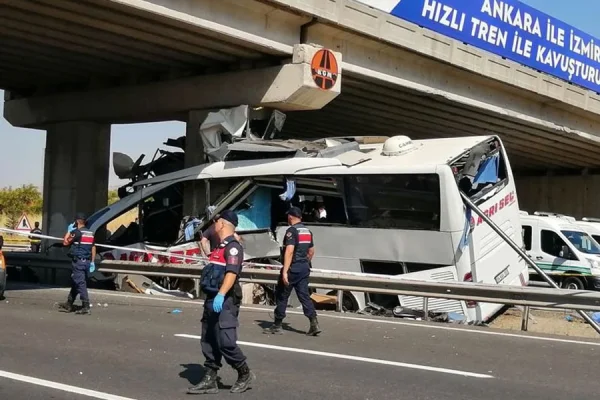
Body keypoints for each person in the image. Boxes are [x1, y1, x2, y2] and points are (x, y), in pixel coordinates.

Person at [188, 210, 255, 395]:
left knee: (226, 341)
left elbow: (231, 273)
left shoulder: (233, 247)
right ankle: (210, 378)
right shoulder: (219, 247)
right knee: (209, 339)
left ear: (223, 224)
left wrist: (221, 294)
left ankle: (244, 372)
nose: (214, 225)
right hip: (212, 299)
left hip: (225, 300)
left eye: (216, 222)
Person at [267, 206, 321, 336]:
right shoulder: (307, 231)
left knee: (282, 295)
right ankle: (314, 322)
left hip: (293, 268)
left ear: (290, 217)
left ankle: (277, 324)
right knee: (304, 296)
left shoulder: (292, 231)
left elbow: (289, 251)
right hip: (304, 268)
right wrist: (305, 262)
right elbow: (311, 251)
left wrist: (285, 271)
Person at [58, 212, 96, 315]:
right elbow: (93, 247)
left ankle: (86, 305)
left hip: (78, 261)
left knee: (80, 283)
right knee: (76, 282)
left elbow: (65, 242)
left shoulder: (77, 232)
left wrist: (68, 231)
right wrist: (92, 261)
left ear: (76, 221)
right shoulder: (90, 233)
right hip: (87, 261)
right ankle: (69, 303)